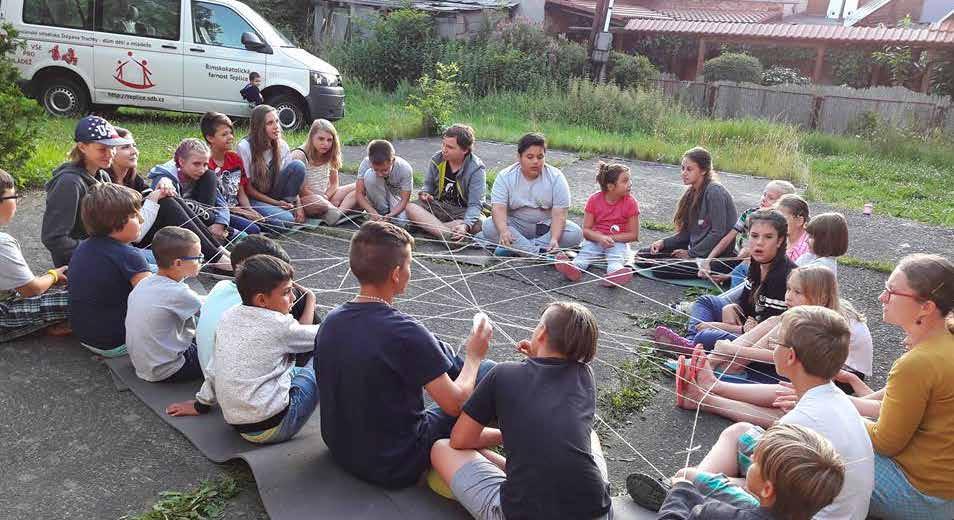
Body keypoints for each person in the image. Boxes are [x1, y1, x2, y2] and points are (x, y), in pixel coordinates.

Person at [647, 306, 874, 519]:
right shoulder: (832, 396)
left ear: (791, 356)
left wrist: (711, 482)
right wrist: (712, 389)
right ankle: (688, 486)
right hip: (827, 503)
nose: (773, 346)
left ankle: (680, 491)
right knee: (742, 431)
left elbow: (773, 490)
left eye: (776, 342)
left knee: (690, 475)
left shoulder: (799, 421)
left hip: (801, 512)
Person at [315, 221, 495, 488]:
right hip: (395, 462)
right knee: (488, 372)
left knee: (441, 356)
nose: (411, 271)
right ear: (397, 274)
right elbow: (455, 404)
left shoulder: (331, 320)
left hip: (341, 449)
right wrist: (474, 356)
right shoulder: (406, 332)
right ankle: (507, 434)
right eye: (410, 264)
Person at [430, 302, 612, 520]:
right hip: (596, 511)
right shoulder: (585, 376)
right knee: (589, 436)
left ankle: (518, 480)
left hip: (521, 513)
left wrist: (507, 435)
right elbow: (549, 395)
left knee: (441, 448)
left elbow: (460, 440)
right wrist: (536, 359)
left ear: (542, 332)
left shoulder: (502, 374)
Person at [166, 255, 319, 445]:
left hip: (238, 423)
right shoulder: (279, 325)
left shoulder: (229, 316)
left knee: (293, 369)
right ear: (262, 300)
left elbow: (216, 366)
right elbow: (327, 335)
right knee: (321, 359)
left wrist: (201, 404)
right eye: (287, 292)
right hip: (274, 426)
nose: (294, 297)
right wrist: (317, 302)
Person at [860, 254, 954, 519]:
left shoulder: (918, 362)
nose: (882, 297)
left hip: (921, 498)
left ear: (926, 307)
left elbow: (885, 442)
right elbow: (896, 407)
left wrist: (835, 412)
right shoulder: (944, 343)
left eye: (891, 291)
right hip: (944, 494)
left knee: (821, 445)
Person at [698, 265, 872, 385]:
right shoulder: (817, 308)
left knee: (708, 338)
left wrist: (731, 349)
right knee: (777, 321)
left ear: (820, 297)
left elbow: (786, 356)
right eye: (789, 289)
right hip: (820, 364)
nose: (788, 296)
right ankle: (716, 362)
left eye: (797, 292)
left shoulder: (825, 322)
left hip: (841, 377)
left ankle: (731, 366)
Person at [656, 209, 795, 355]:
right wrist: (734, 307)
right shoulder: (756, 261)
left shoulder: (783, 276)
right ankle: (691, 343)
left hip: (763, 342)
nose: (759, 243)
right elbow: (746, 303)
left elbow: (765, 328)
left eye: (768, 237)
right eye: (754, 236)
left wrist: (720, 326)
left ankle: (693, 345)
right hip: (748, 324)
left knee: (707, 335)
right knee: (706, 301)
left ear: (779, 241)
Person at [653, 423, 846, 520]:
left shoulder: (717, 514)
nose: (751, 458)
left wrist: (679, 493)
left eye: (756, 461)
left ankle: (672, 493)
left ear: (768, 490)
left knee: (686, 495)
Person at [107, 127, 234, 269]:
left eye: (134, 145)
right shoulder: (107, 184)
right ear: (110, 151)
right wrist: (156, 195)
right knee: (166, 201)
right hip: (131, 239)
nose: (134, 151)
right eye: (125, 147)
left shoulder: (131, 177)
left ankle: (218, 251)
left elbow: (220, 202)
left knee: (170, 196)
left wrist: (162, 187)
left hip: (148, 228)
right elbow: (133, 234)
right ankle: (217, 257)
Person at [193, 235, 318, 376]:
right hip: (258, 392)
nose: (292, 296)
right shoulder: (267, 317)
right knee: (321, 361)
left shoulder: (222, 288)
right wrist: (310, 298)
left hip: (216, 381)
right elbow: (320, 335)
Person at [68, 183, 152, 357]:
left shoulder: (84, 246)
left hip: (85, 336)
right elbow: (153, 302)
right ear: (115, 222)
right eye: (135, 216)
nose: (142, 220)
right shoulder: (131, 256)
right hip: (116, 342)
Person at [42, 115, 134, 267]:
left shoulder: (103, 175)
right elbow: (54, 238)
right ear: (82, 147)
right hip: (81, 263)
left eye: (112, 147)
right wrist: (98, 252)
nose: (109, 153)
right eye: (102, 149)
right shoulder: (68, 183)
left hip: (108, 251)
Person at [634, 147, 737, 279]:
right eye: (682, 168)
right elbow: (689, 233)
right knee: (642, 256)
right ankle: (679, 260)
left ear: (704, 170)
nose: (684, 173)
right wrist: (663, 242)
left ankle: (693, 265)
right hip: (695, 248)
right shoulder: (691, 192)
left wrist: (691, 253)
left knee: (661, 269)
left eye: (689, 169)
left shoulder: (714, 191)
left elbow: (718, 232)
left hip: (716, 256)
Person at [476, 133, 582, 256]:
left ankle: (518, 249)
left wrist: (554, 239)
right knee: (489, 226)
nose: (536, 161)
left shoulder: (556, 177)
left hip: (546, 227)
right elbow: (498, 209)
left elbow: (560, 214)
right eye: (530, 157)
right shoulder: (505, 177)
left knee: (575, 233)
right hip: (516, 226)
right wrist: (504, 231)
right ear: (519, 157)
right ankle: (538, 253)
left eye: (540, 157)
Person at [126, 227, 204, 383]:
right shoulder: (179, 293)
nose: (202, 260)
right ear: (178, 263)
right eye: (198, 257)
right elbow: (211, 312)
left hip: (143, 365)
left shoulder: (145, 282)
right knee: (221, 349)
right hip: (170, 369)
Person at [0, 169, 71, 340]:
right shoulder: (2, 243)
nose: (17, 201)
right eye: (13, 197)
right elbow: (32, 290)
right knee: (75, 300)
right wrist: (53, 275)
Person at [555, 161, 639, 287]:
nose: (630, 184)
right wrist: (599, 238)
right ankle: (573, 269)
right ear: (611, 186)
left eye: (629, 180)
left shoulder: (631, 203)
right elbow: (586, 231)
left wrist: (610, 238)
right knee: (585, 255)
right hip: (595, 240)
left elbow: (634, 235)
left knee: (615, 259)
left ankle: (615, 275)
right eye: (625, 181)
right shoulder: (594, 200)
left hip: (618, 242)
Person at [698, 180, 796, 287]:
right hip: (737, 258)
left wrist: (729, 276)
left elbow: (756, 257)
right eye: (764, 194)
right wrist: (708, 259)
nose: (764, 199)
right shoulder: (749, 214)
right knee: (702, 268)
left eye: (770, 198)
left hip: (757, 263)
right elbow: (728, 238)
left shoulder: (781, 225)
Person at [404, 124, 487, 241]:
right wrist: (425, 193)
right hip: (438, 206)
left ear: (465, 150)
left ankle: (430, 229)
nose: (444, 149)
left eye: (450, 147)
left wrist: (465, 225)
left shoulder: (476, 169)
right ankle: (447, 235)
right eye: (443, 144)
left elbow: (475, 204)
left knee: (480, 223)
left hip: (462, 212)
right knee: (410, 207)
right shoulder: (437, 159)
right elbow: (428, 186)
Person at [147, 138, 232, 243]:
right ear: (181, 162)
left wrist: (221, 223)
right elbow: (174, 215)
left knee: (251, 228)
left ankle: (223, 234)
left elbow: (221, 204)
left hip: (206, 216)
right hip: (178, 226)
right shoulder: (165, 180)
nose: (202, 169)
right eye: (196, 164)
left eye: (205, 164)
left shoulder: (205, 175)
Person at [237, 105, 307, 228]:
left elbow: (290, 180)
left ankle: (286, 207)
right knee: (286, 221)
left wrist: (299, 206)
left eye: (277, 121)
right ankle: (272, 215)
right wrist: (276, 203)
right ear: (258, 127)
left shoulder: (282, 145)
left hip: (275, 192)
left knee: (298, 166)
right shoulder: (244, 147)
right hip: (254, 197)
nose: (276, 127)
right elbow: (248, 189)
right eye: (269, 123)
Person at [199, 112, 263, 235]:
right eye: (224, 134)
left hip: (238, 207)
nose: (231, 137)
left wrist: (249, 210)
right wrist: (244, 213)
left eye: (231, 133)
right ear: (210, 138)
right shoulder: (206, 164)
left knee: (272, 223)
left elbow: (241, 191)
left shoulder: (235, 159)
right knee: (254, 229)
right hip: (222, 213)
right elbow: (215, 203)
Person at [288, 118, 349, 224]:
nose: (325, 144)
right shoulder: (300, 155)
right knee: (320, 203)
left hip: (325, 195)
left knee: (357, 187)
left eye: (329, 140)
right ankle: (335, 210)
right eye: (321, 139)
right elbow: (302, 190)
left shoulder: (330, 154)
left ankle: (336, 211)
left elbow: (334, 184)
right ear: (312, 138)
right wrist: (323, 200)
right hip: (307, 199)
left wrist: (326, 196)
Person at [343, 140, 413, 227]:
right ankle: (381, 212)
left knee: (401, 222)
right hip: (376, 194)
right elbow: (359, 193)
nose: (380, 174)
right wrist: (372, 212)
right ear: (370, 161)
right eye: (376, 169)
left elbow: (404, 200)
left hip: (395, 197)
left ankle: (385, 215)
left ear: (393, 160)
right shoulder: (366, 163)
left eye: (385, 170)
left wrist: (391, 215)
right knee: (370, 176)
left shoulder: (405, 168)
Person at [776, 194, 809, 263]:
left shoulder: (807, 248)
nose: (776, 222)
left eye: (782, 219)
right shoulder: (781, 238)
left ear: (800, 221)